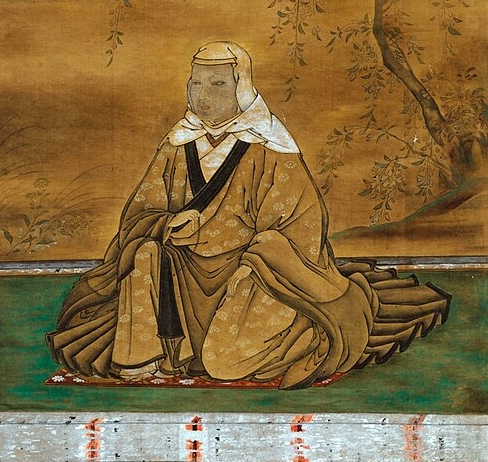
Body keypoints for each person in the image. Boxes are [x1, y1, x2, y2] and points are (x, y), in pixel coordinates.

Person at [46, 41, 450, 390]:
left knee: (227, 364)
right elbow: (141, 212)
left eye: (217, 84)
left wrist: (229, 244)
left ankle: (299, 331)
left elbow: (296, 230)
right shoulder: (177, 144)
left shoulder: (270, 147)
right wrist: (166, 224)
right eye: (196, 84)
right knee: (145, 252)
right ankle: (154, 355)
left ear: (242, 86)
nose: (203, 96)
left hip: (253, 273)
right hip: (181, 270)